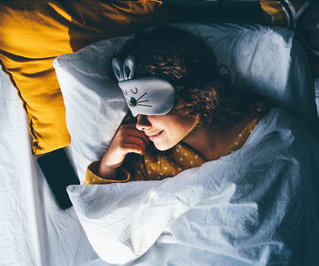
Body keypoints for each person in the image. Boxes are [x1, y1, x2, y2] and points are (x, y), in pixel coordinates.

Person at [84, 26, 267, 185]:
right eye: (136, 112)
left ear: (192, 94)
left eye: (148, 107)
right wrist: (109, 164)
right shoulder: (153, 165)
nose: (140, 124)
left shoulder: (260, 123)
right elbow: (104, 210)